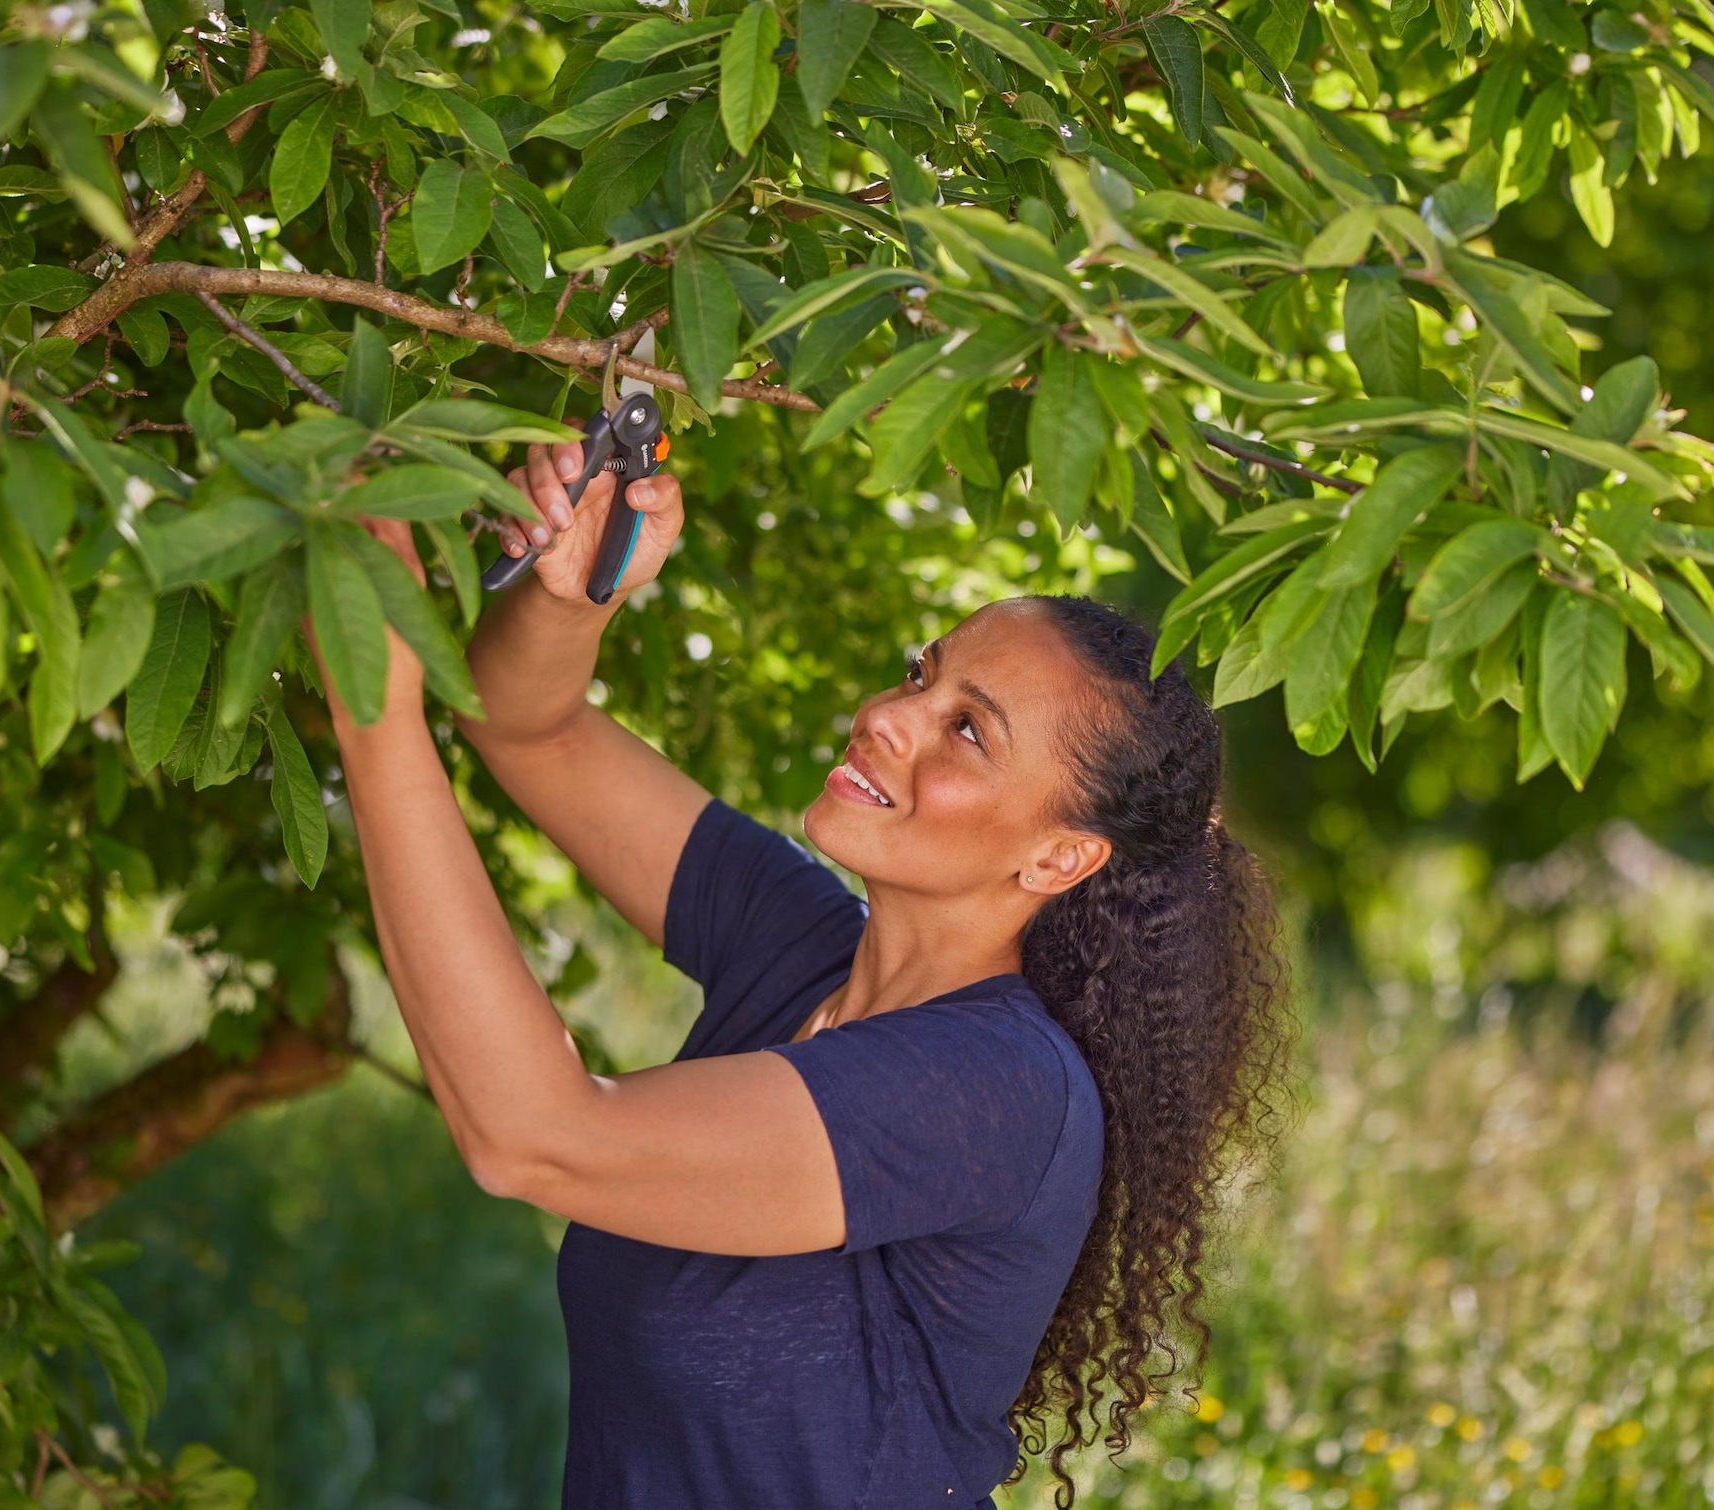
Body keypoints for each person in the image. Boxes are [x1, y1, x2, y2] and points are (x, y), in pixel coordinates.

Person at [308, 430, 1293, 1509]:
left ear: (1060, 856)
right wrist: (576, 591)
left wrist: (373, 704)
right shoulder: (804, 942)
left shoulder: (1000, 1088)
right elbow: (526, 727)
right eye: (923, 674)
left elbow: (533, 1136)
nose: (886, 716)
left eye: (966, 730)